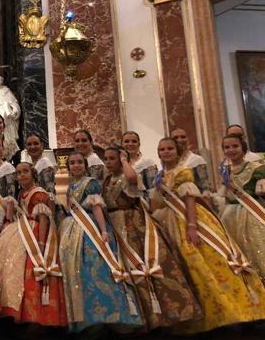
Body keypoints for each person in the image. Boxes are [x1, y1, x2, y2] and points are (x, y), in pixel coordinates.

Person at [150, 137, 265, 334]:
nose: (166, 152)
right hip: (168, 222)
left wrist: (192, 226)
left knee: (204, 263)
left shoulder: (183, 172)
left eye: (170, 149)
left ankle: (228, 310)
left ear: (177, 152)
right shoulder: (160, 176)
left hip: (188, 220)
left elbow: (190, 201)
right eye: (162, 149)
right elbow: (158, 202)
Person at [102, 147, 202, 330]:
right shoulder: (108, 179)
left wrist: (125, 160)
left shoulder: (128, 176)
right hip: (115, 224)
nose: (108, 162)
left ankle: (162, 316)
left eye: (112, 158)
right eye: (106, 159)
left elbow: (132, 179)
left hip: (133, 224)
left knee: (146, 265)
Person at [59, 152, 142, 332]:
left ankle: (107, 313)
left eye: (79, 162)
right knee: (78, 271)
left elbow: (97, 208)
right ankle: (85, 315)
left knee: (96, 268)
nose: (76, 165)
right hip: (72, 230)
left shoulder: (91, 183)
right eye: (72, 163)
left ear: (86, 165)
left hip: (91, 230)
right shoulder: (70, 186)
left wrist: (103, 230)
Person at [0, 162, 67, 327]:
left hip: (36, 232)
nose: (22, 175)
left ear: (33, 174)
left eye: (25, 172)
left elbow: (44, 218)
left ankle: (37, 314)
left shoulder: (39, 194)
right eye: (19, 173)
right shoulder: (22, 193)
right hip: (21, 230)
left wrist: (42, 241)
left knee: (30, 269)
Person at [217, 134, 265, 280]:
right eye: (227, 147)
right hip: (229, 216)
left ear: (243, 148)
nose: (231, 150)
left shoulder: (256, 168)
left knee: (257, 251)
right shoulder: (225, 170)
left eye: (235, 146)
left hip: (251, 215)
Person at [170, 128, 212, 197]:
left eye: (183, 137)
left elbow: (205, 187)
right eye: (176, 137)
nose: (179, 140)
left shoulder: (196, 159)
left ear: (187, 140)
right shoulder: (169, 162)